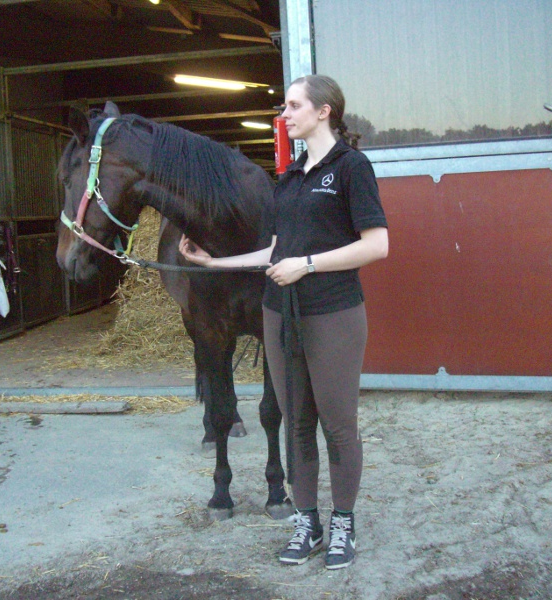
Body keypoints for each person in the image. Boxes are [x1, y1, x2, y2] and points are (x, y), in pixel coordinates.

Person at [179, 74, 388, 570]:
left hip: (333, 312)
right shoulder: (290, 177)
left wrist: (308, 265)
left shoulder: (351, 167)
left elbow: (377, 245)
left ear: (324, 111)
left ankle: (343, 524)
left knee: (338, 426)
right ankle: (306, 523)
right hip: (280, 312)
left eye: (293, 106)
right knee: (296, 423)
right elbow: (276, 251)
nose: (285, 114)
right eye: (284, 106)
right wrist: (213, 263)